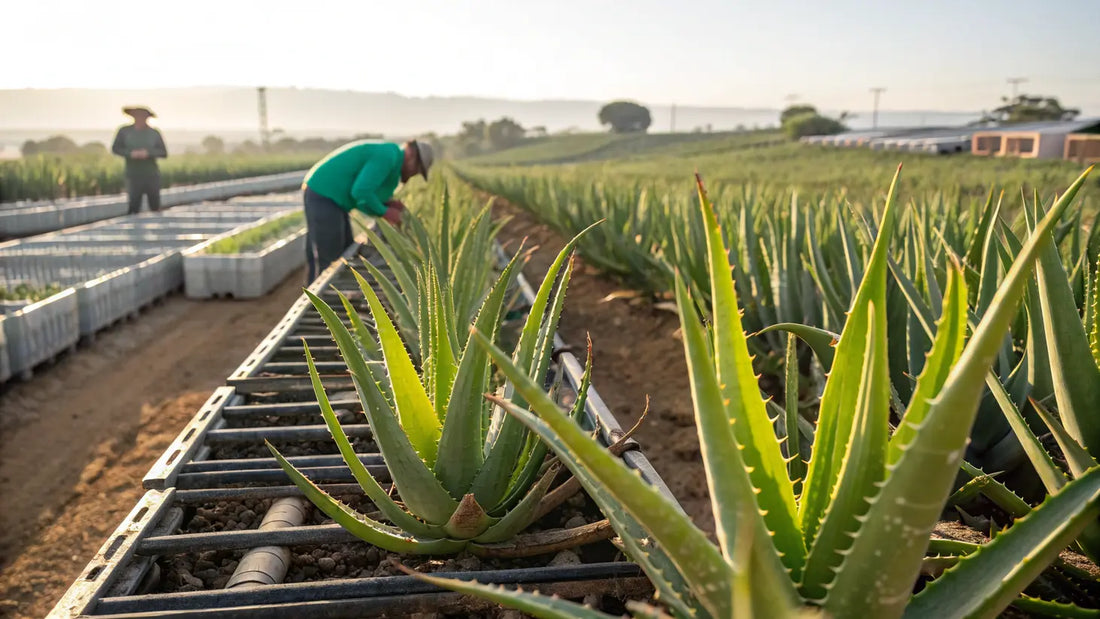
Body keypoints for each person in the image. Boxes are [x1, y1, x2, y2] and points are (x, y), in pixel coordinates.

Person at [301, 139, 434, 282]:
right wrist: (386, 212)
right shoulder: (388, 156)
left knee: (343, 249)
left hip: (330, 197)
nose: (414, 174)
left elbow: (367, 194)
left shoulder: (391, 158)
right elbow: (361, 192)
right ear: (411, 155)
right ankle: (317, 293)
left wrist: (387, 204)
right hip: (324, 193)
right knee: (330, 258)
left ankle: (314, 288)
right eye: (417, 170)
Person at [111, 106, 168, 215]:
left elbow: (163, 152)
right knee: (134, 205)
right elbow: (116, 149)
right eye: (138, 116)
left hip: (151, 174)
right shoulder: (124, 131)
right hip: (133, 174)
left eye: (143, 117)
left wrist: (148, 153)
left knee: (155, 205)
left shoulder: (154, 133)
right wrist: (130, 153)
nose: (140, 119)